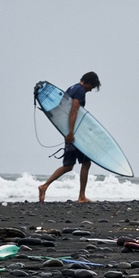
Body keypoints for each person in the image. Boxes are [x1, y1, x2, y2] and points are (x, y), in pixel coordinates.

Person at [38, 71, 101, 203]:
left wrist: (67, 131)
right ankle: (81, 196)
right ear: (89, 82)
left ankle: (44, 186)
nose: (90, 90)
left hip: (68, 131)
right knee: (86, 162)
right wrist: (71, 132)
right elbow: (73, 111)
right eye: (92, 87)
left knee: (68, 166)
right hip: (75, 134)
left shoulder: (71, 88)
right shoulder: (80, 91)